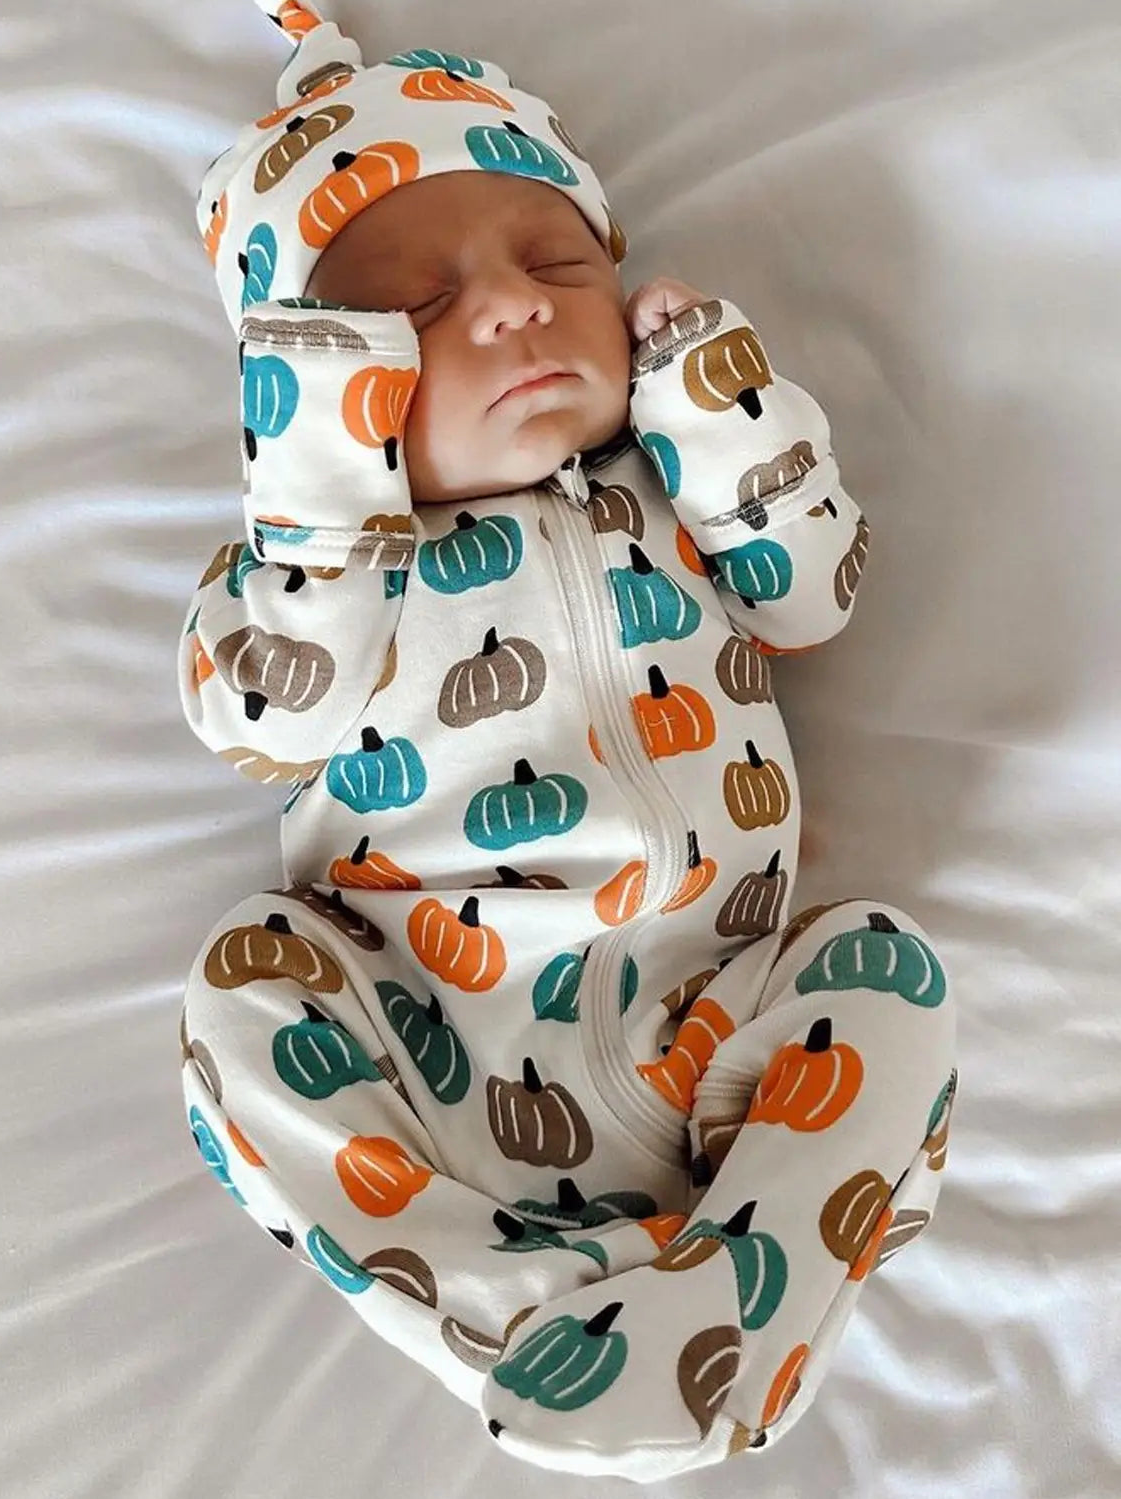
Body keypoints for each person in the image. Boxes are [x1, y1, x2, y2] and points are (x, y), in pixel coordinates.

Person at [178, 4, 957, 1479]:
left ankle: (749, 1285)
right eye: (413, 306)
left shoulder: (669, 491)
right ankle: (524, 1322)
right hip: (428, 1048)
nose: (509, 308)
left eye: (556, 264)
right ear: (318, 386)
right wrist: (325, 503)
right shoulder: (315, 575)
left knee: (886, 971)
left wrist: (720, 409)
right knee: (241, 986)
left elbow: (811, 592)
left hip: (716, 1031)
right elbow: (264, 724)